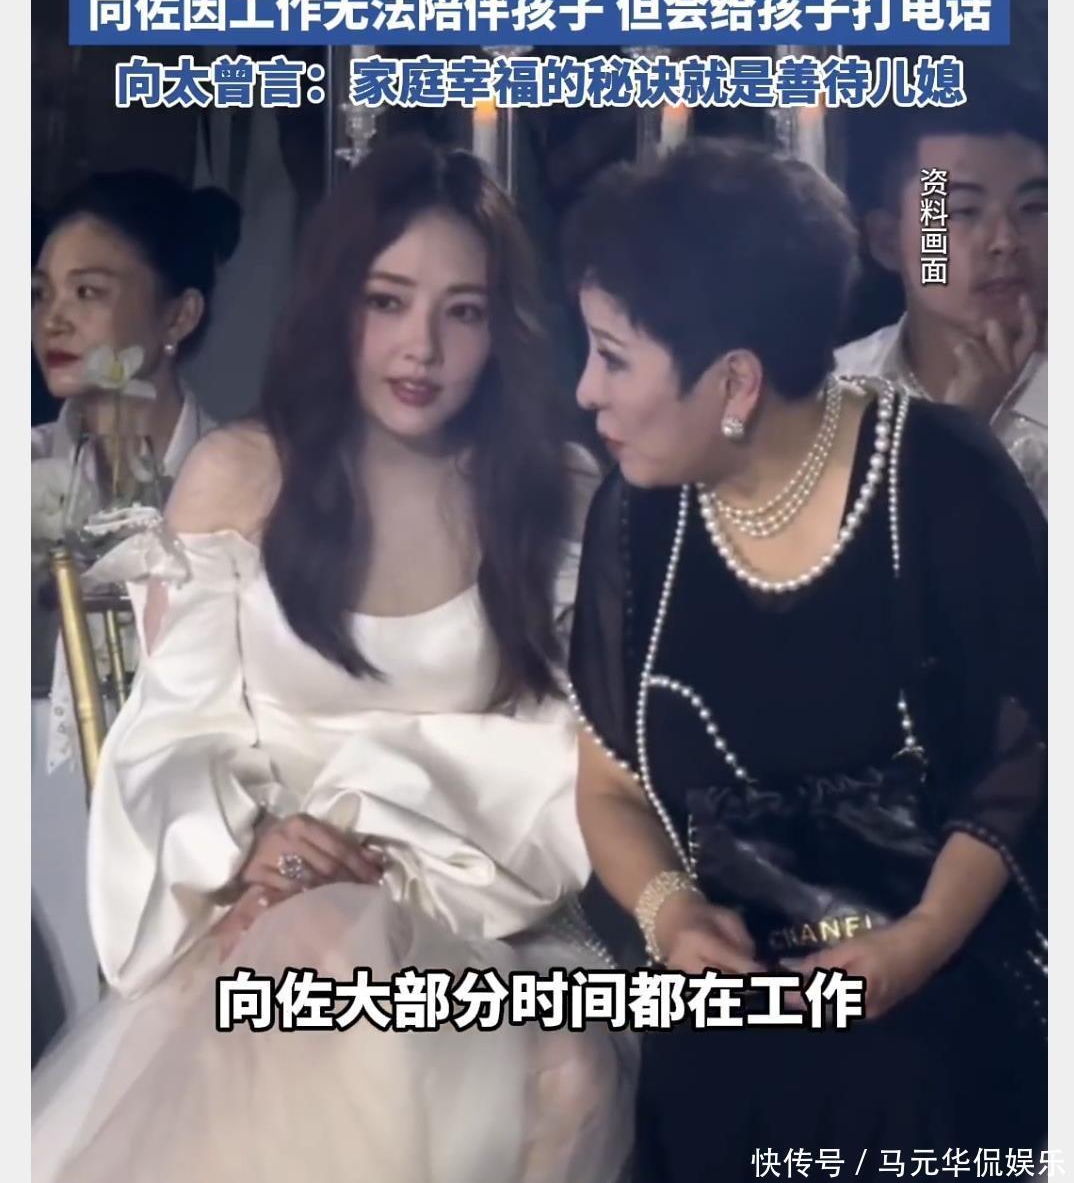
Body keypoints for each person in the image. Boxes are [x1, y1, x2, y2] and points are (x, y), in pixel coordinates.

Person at [32, 137, 634, 1183]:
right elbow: (173, 732)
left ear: (501, 327)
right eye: (387, 302)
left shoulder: (555, 491)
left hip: (481, 905)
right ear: (335, 303)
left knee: (567, 1066)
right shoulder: (241, 476)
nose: (421, 348)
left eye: (462, 311)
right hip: (269, 903)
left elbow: (571, 754)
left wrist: (401, 858)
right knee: (322, 968)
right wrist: (250, 845)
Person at [563, 141, 1046, 1180]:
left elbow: (1029, 756)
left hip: (943, 989)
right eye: (954, 209)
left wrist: (919, 942)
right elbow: (608, 784)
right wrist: (671, 913)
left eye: (613, 358)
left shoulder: (945, 475)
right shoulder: (634, 516)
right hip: (733, 1007)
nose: (585, 391)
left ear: (735, 381)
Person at [31, 171, 240, 1038]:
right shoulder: (27, 468)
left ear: (177, 316)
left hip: (193, 852)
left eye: (88, 293)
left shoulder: (242, 483)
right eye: (40, 293)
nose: (53, 320)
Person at [836, 90, 1047, 511]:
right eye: (963, 211)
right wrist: (956, 433)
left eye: (1034, 207)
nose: (1005, 241)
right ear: (887, 241)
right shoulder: (834, 394)